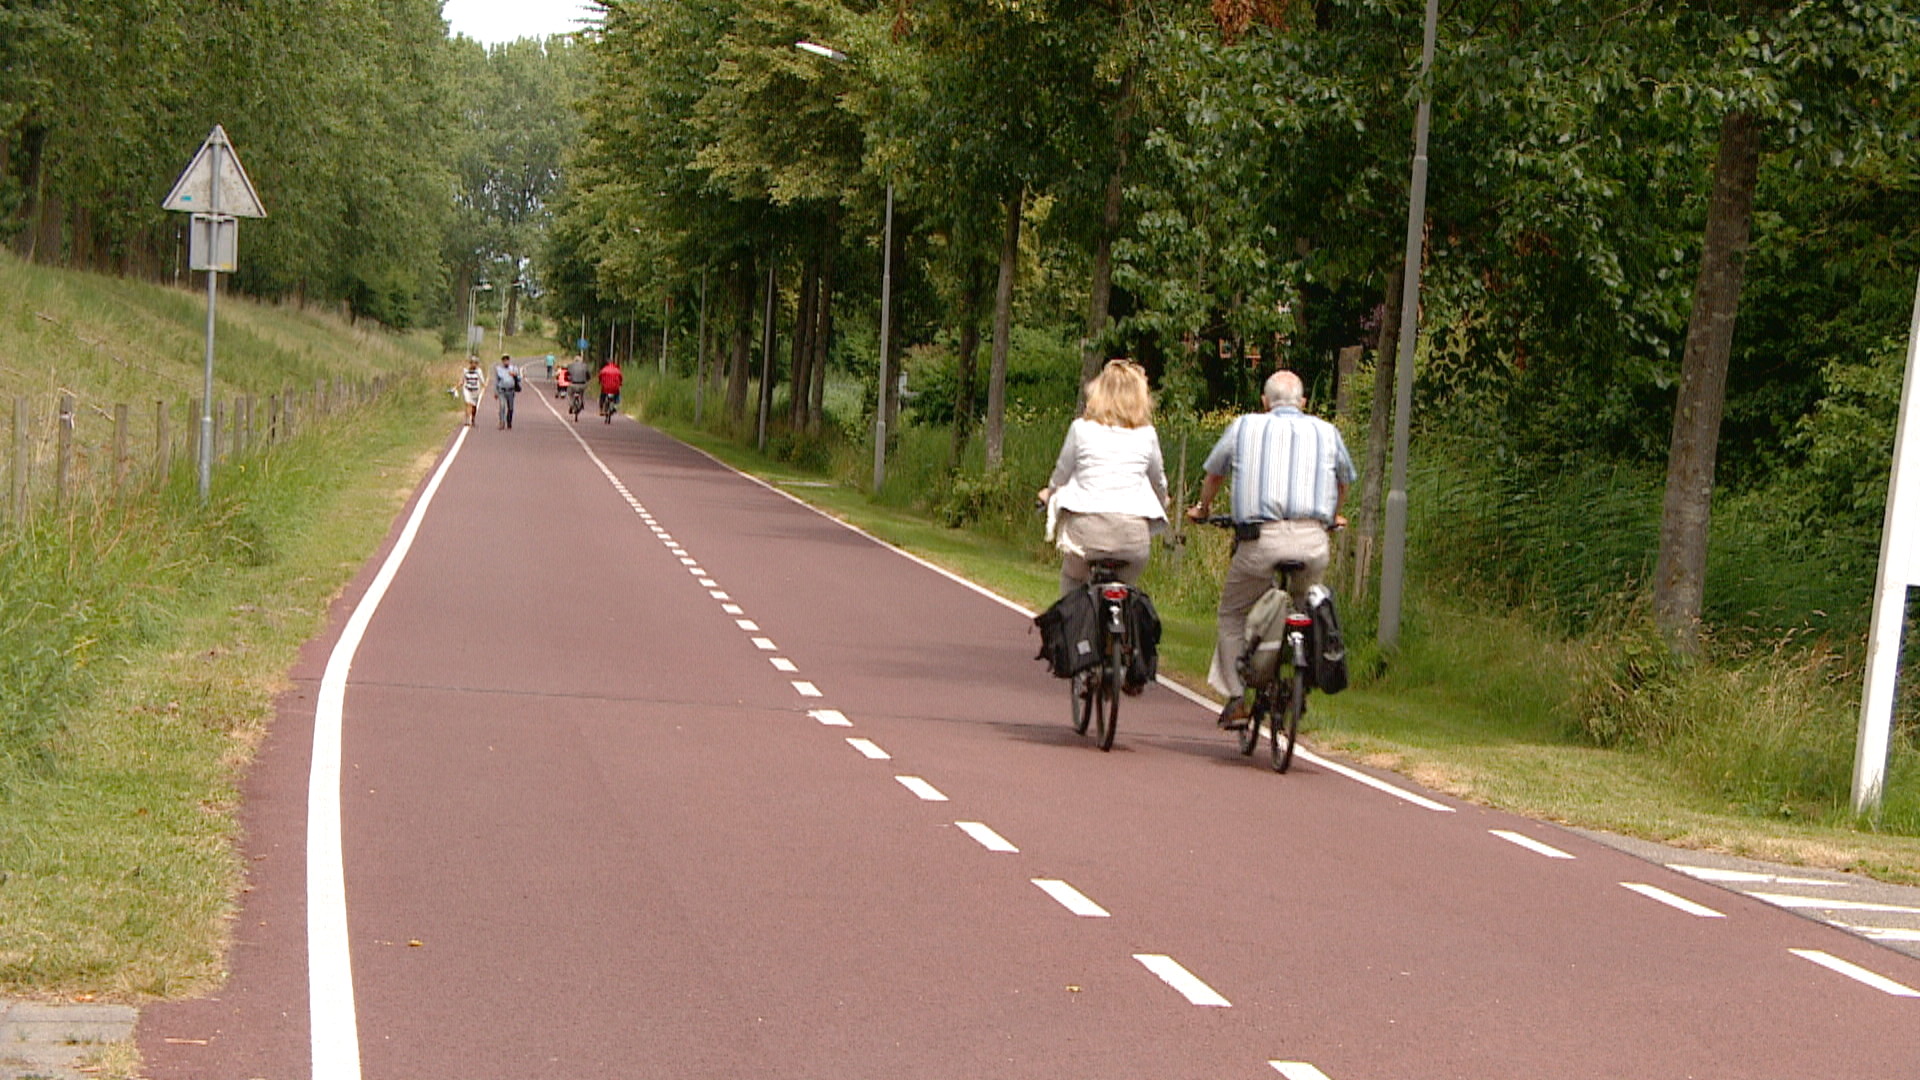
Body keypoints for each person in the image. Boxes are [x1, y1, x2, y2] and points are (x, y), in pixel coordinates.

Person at [1186, 369, 1355, 728]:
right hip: (1312, 540)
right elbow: (1343, 480)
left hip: (1261, 541)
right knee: (1305, 603)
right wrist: (1333, 515)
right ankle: (1301, 675)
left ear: (1265, 401)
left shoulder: (1244, 426)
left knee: (1233, 613)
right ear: (1303, 402)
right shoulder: (1327, 431)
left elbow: (1215, 473)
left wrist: (1203, 508)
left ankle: (1237, 697)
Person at [1037, 359, 1170, 597]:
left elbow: (1061, 474)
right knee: (1127, 588)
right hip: (1132, 538)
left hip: (1086, 534)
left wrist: (1049, 493)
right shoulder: (1147, 435)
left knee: (1072, 579)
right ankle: (1126, 616)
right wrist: (1163, 501)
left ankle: (1073, 621)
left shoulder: (1080, 429)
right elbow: (1158, 482)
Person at [492, 354, 520, 429]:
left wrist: (515, 375)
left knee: (510, 408)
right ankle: (502, 422)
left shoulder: (513, 368)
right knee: (502, 406)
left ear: (509, 360)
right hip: (502, 390)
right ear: (502, 361)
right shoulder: (498, 369)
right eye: (504, 360)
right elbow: (496, 381)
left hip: (511, 390)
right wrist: (495, 391)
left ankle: (509, 421)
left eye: (507, 360)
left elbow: (519, 379)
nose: (506, 361)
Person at [458, 357, 483, 427]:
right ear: (470, 363)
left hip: (475, 390)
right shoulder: (465, 371)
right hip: (467, 389)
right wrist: (459, 384)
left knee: (474, 406)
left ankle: (473, 418)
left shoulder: (479, 371)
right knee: (468, 404)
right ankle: (467, 420)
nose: (474, 364)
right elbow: (462, 380)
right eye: (472, 363)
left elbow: (482, 380)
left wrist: (484, 385)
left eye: (475, 363)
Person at [598, 357, 624, 423]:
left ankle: (601, 409)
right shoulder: (617, 370)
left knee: (602, 396)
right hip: (615, 389)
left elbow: (600, 376)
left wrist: (600, 382)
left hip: (605, 388)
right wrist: (620, 383)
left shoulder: (604, 370)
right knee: (617, 395)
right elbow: (621, 377)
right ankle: (615, 406)